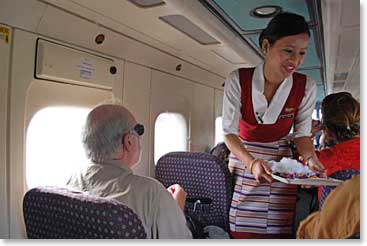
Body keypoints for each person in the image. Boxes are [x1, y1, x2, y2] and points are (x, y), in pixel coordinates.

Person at [222, 12, 325, 238]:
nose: (296, 61)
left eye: (302, 53)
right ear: (266, 46)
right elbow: (229, 133)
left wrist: (310, 158)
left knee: (278, 226)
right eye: (288, 51)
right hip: (244, 155)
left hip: (280, 161)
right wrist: (252, 163)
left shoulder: (305, 85)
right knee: (241, 224)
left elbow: (302, 134)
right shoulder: (238, 80)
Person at [67, 103, 192, 239]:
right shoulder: (152, 192)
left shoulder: (70, 182)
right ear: (129, 142)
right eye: (138, 132)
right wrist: (176, 208)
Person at [315, 92, 360, 198]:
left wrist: (306, 134)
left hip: (332, 213)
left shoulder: (321, 160)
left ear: (327, 130)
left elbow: (296, 168)